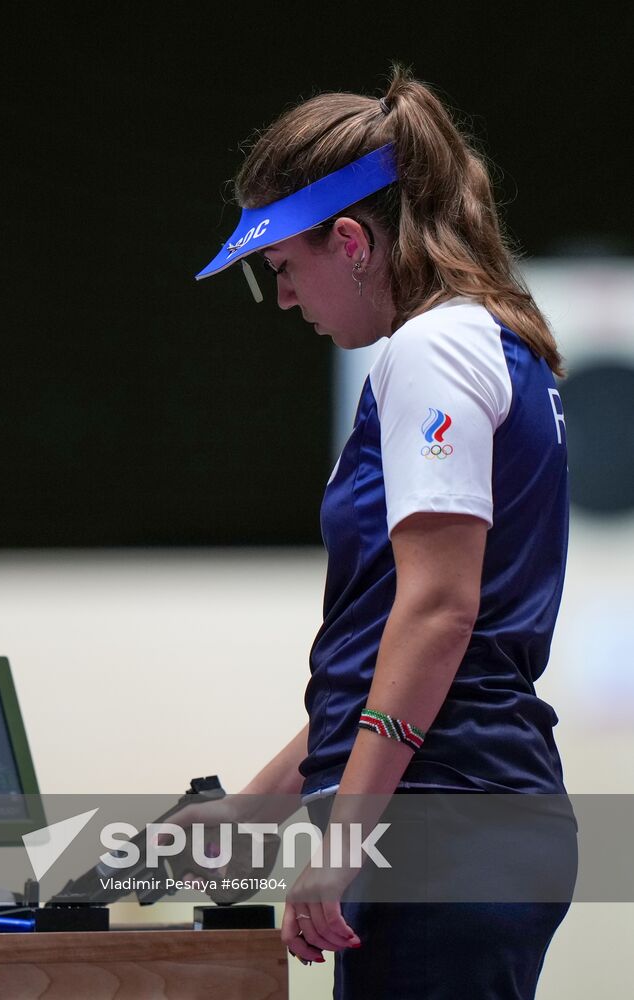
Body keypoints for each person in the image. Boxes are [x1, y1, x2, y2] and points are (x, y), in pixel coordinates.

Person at [192, 66, 576, 999]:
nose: (287, 299)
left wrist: (343, 839)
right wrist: (256, 809)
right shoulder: (489, 339)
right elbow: (391, 655)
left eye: (284, 269)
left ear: (353, 242)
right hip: (466, 816)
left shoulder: (433, 347)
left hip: (445, 822)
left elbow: (439, 615)